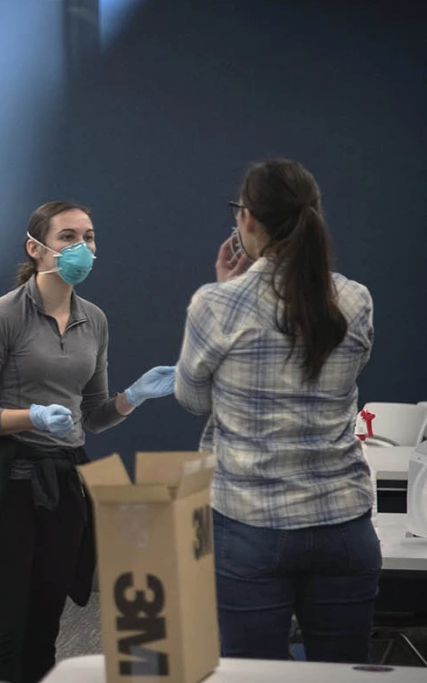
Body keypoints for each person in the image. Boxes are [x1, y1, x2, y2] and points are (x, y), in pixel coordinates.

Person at [0, 201, 177, 683]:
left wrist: (132, 398)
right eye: (68, 237)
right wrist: (31, 416)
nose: (82, 248)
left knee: (45, 628)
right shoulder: (1, 316)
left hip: (63, 485)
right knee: (5, 634)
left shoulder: (95, 320)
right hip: (7, 487)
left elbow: (92, 414)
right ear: (36, 248)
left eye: (89, 237)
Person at [175, 159, 379, 662]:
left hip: (250, 525)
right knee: (342, 675)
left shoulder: (217, 304)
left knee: (254, 674)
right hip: (344, 524)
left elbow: (192, 398)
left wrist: (224, 288)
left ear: (246, 219)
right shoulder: (355, 299)